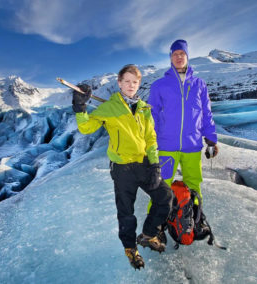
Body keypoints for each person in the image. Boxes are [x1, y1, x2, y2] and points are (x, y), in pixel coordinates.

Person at [72, 64, 173, 270]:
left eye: (134, 82)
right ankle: (130, 248)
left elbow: (151, 139)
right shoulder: (110, 107)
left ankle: (148, 234)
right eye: (126, 81)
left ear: (139, 84)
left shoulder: (144, 108)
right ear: (119, 83)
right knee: (126, 212)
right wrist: (80, 108)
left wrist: (154, 165)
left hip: (144, 164)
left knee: (165, 198)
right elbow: (86, 127)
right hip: (122, 168)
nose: (130, 85)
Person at [148, 39, 218, 205]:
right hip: (166, 146)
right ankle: (156, 227)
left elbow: (206, 112)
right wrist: (150, 140)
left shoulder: (199, 84)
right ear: (170, 58)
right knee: (161, 187)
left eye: (182, 54)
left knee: (194, 185)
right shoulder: (159, 85)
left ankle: (194, 220)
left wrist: (211, 138)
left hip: (192, 145)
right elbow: (153, 115)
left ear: (187, 56)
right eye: (175, 54)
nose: (179, 57)